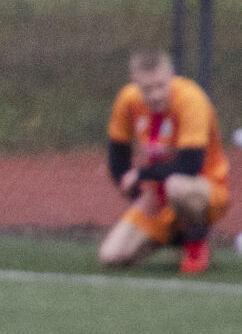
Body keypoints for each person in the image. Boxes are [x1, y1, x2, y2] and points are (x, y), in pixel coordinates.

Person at [98, 50, 229, 275]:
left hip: (205, 188)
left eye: (160, 85)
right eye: (147, 89)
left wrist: (141, 175)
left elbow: (190, 165)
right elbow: (117, 159)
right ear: (135, 84)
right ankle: (174, 235)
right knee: (111, 256)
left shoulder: (191, 99)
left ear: (171, 75)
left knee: (177, 185)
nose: (155, 95)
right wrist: (138, 195)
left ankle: (195, 244)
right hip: (158, 195)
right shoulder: (128, 100)